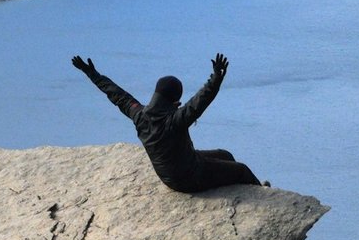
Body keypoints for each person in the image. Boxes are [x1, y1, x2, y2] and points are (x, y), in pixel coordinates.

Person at [71, 52, 263, 193]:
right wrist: (216, 78)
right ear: (174, 100)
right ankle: (262, 194)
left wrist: (92, 74)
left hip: (168, 176)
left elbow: (117, 95)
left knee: (226, 155)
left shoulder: (139, 114)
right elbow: (199, 102)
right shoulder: (174, 120)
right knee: (241, 170)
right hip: (190, 178)